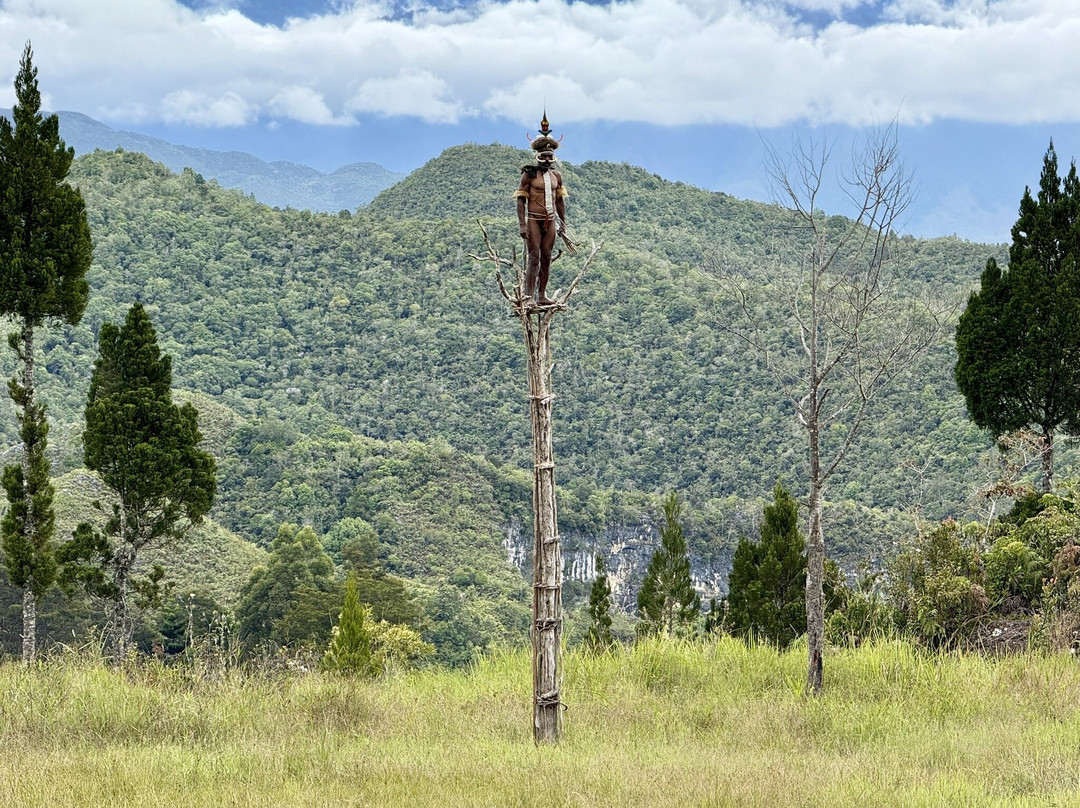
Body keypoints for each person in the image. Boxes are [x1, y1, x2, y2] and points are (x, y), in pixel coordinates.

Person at [514, 115, 568, 306]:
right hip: (533, 220)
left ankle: (542, 295)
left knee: (546, 257)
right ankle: (529, 297)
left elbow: (560, 201)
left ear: (554, 157)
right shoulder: (529, 175)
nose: (546, 159)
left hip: (550, 221)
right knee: (534, 257)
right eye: (543, 156)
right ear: (537, 156)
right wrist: (522, 224)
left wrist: (564, 223)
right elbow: (521, 200)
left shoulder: (556, 176)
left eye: (549, 156)